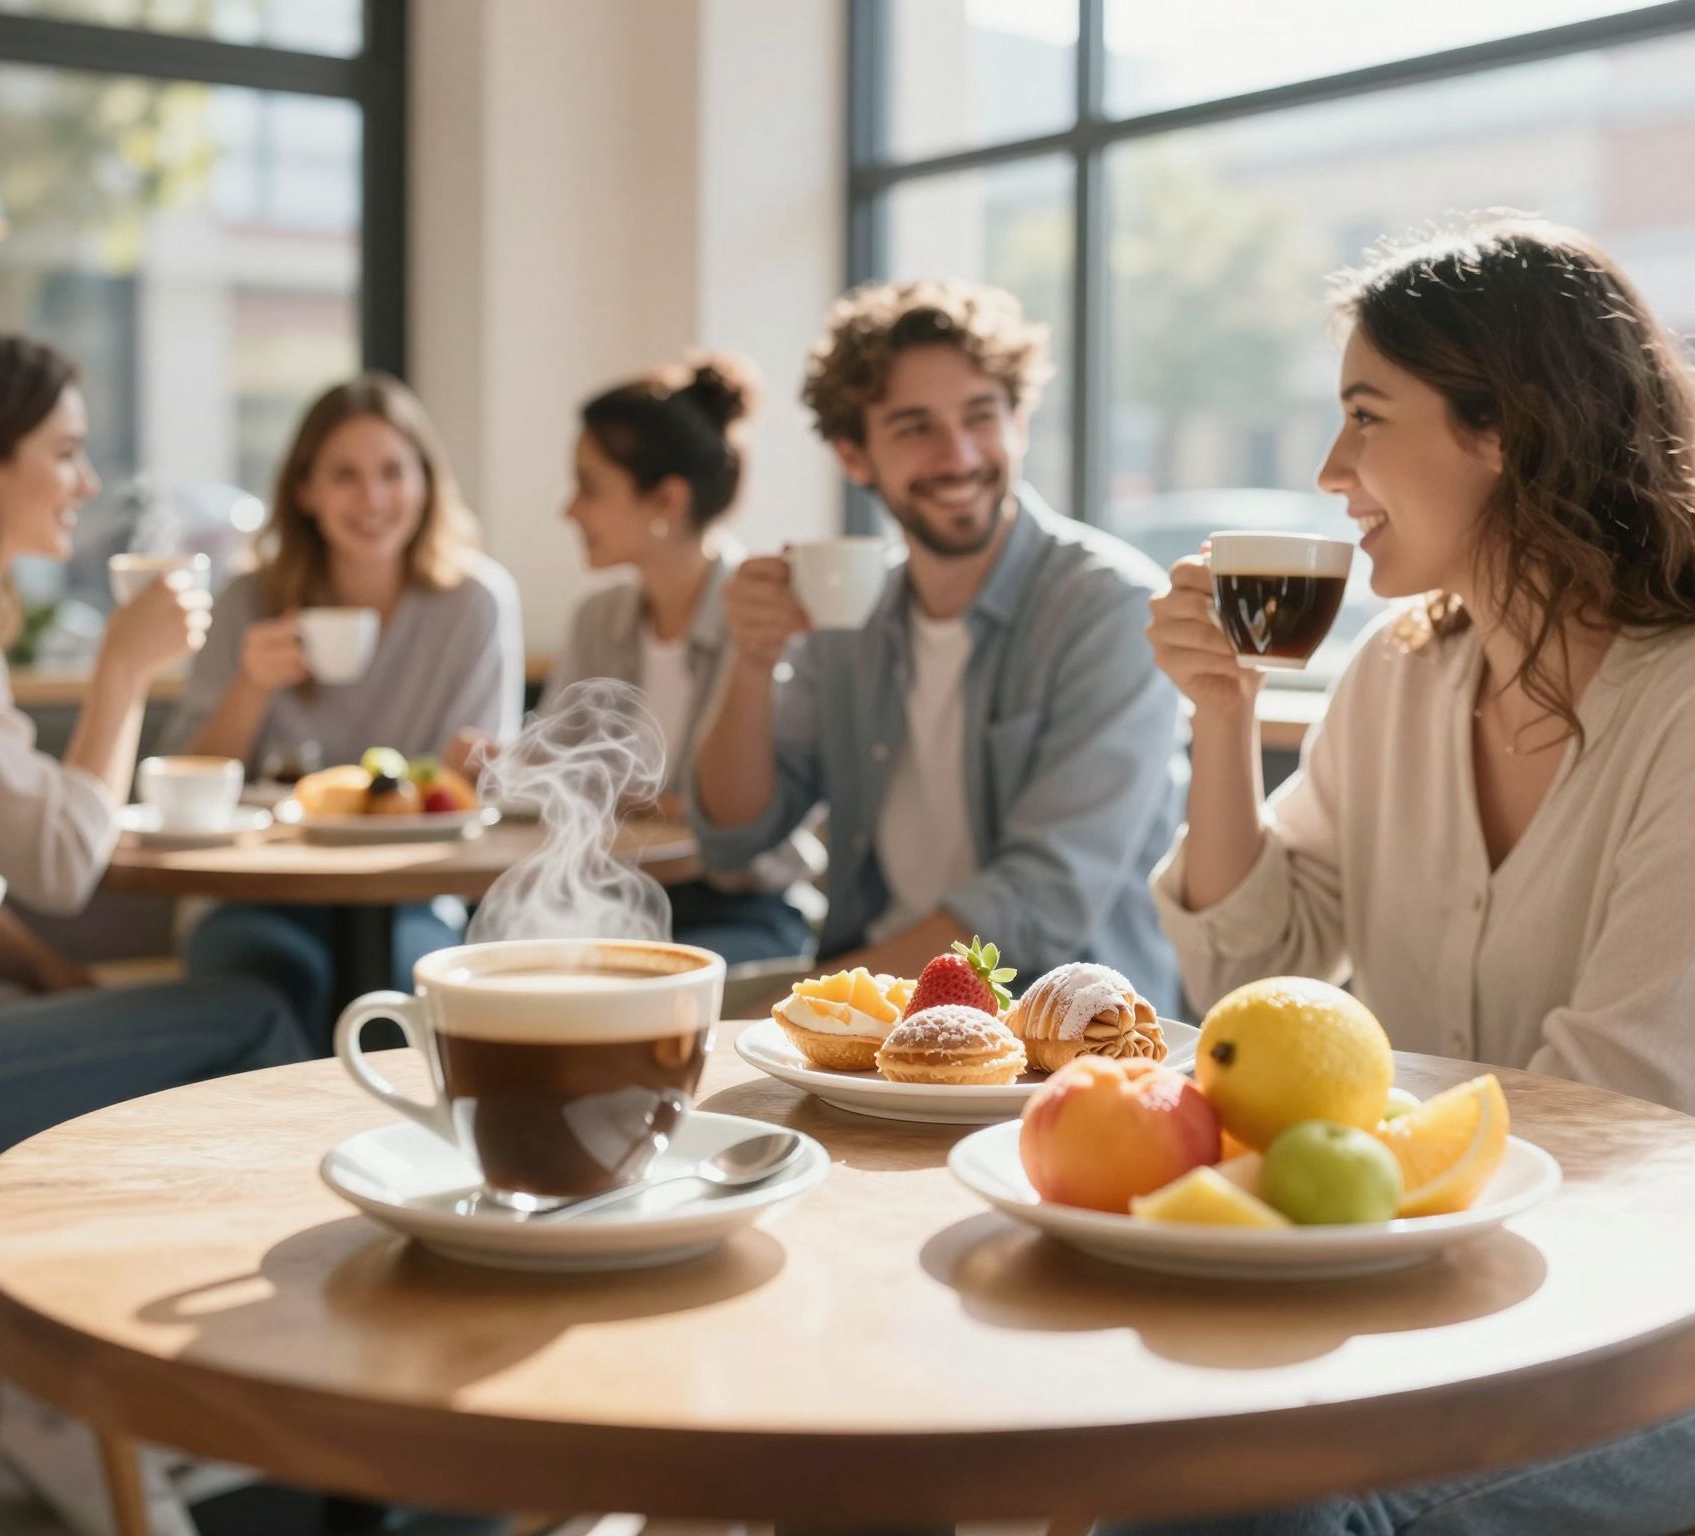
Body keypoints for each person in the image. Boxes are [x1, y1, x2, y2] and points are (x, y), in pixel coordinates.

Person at [1140, 219, 1695, 1535]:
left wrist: (1306, 1212)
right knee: (1169, 1455)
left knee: (1256, 1509)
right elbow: (1255, 979)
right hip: (1454, 1286)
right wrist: (1222, 718)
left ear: (1504, 432)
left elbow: (1630, 1108)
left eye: (1366, 416)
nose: (1330, 469)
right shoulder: (1397, 677)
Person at [0, 323, 305, 1178]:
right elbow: (63, 865)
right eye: (67, 452)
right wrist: (122, 668)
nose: (89, 481)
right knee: (254, 1019)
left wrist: (47, 971)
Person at [691, 280, 1185, 1005]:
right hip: (880, 1001)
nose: (958, 456)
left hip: (1055, 1029)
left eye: (981, 416)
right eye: (914, 427)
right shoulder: (851, 617)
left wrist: (818, 1002)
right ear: (855, 456)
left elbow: (1038, 903)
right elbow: (733, 838)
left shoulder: (1111, 607)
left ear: (1018, 422)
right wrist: (752, 662)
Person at [166, 374, 524, 1047]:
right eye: (345, 476)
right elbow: (187, 785)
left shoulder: (475, 603)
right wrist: (249, 685)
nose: (374, 499)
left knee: (407, 998)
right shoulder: (249, 600)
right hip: (256, 894)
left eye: (394, 472)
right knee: (260, 990)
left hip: (412, 895)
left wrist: (483, 770)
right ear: (305, 490)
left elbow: (477, 791)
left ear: (426, 482)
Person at [488, 352, 818, 963]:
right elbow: (560, 772)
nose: (569, 510)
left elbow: (738, 824)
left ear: (666, 500)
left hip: (739, 911)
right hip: (607, 902)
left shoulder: (761, 617)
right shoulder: (600, 618)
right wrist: (509, 765)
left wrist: (594, 789)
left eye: (588, 487)